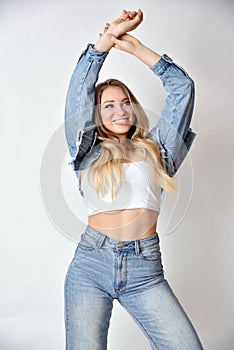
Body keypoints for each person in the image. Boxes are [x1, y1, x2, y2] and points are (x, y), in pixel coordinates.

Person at [64, 9, 203, 350]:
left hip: (145, 269)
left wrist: (135, 47)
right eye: (108, 105)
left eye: (125, 102)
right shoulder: (87, 150)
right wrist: (104, 43)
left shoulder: (158, 149)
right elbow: (77, 99)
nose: (119, 110)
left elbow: (182, 89)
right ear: (96, 114)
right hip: (90, 264)